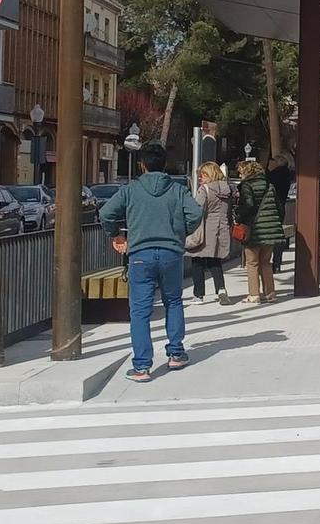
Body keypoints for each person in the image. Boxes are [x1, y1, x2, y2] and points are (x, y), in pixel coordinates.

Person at [99, 142, 205, 384]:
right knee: (174, 302)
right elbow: (196, 214)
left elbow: (106, 214)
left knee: (140, 311)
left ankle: (142, 366)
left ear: (142, 164)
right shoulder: (177, 190)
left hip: (140, 255)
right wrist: (180, 233)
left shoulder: (131, 190)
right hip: (171, 253)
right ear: (164, 164)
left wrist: (117, 234)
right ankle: (176, 353)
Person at [236, 158, 287, 305]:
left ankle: (254, 295)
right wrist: (274, 223)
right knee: (266, 262)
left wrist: (238, 217)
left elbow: (249, 205)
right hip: (271, 229)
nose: (240, 176)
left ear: (247, 171)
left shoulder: (247, 186)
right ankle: (270, 294)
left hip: (255, 229)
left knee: (252, 263)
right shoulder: (269, 185)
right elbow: (280, 208)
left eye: (241, 173)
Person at [187, 160, 236, 306]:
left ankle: (199, 294)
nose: (200, 178)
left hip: (205, 229)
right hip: (222, 228)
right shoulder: (227, 189)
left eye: (202, 175)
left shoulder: (205, 190)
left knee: (197, 261)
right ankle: (221, 289)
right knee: (215, 261)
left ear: (210, 174)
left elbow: (197, 210)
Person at [267, 154, 296, 264]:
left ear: (278, 163)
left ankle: (271, 260)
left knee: (271, 235)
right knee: (278, 233)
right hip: (281, 206)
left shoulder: (274, 175)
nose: (270, 163)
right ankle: (277, 261)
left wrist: (268, 171)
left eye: (272, 161)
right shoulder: (286, 174)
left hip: (272, 207)